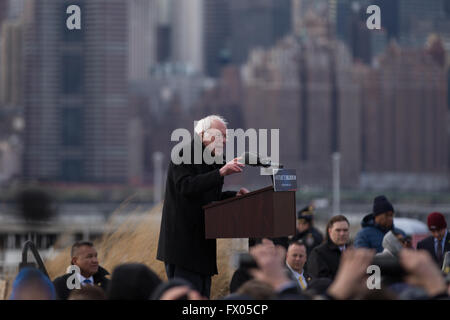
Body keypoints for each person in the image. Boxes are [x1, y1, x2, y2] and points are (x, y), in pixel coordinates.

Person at [156, 115, 249, 298]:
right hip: (184, 248)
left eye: (225, 136)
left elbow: (209, 197)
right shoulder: (184, 153)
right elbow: (186, 186)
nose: (224, 140)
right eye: (219, 135)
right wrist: (221, 172)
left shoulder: (214, 159)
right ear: (202, 134)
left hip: (202, 247)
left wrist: (234, 196)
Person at [305, 215, 350, 280]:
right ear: (330, 231)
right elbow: (320, 281)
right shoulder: (319, 253)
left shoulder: (354, 251)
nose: (342, 234)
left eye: (345, 230)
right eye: (338, 230)